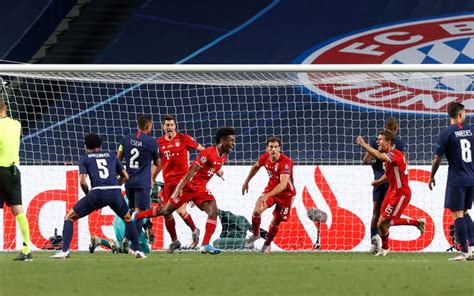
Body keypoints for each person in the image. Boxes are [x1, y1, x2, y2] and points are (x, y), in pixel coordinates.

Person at [134, 127, 236, 255]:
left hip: (200, 190)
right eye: (231, 140)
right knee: (165, 210)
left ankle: (205, 244)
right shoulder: (208, 153)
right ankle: (137, 216)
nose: (233, 143)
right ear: (222, 140)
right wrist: (178, 190)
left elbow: (207, 173)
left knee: (213, 211)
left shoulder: (223, 157)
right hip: (187, 187)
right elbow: (190, 172)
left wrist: (198, 197)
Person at [50, 133, 145, 259]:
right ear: (100, 145)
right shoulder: (111, 156)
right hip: (115, 192)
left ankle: (65, 251)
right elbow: (126, 176)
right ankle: (138, 251)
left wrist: (88, 195)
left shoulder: (85, 158)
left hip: (97, 193)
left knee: (69, 217)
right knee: (128, 219)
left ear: (85, 146)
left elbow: (83, 181)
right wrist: (115, 185)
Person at [357, 130, 423, 257]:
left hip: (401, 193)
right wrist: (379, 181)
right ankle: (385, 247)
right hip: (391, 192)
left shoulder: (395, 154)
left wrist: (364, 145)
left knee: (384, 223)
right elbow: (388, 174)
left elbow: (380, 157)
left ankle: (415, 224)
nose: (377, 142)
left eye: (380, 139)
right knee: (381, 223)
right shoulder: (389, 156)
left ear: (388, 142)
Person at [429, 102, 474, 261]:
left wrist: (432, 175)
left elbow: (436, 158)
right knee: (465, 212)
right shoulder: (472, 130)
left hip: (457, 179)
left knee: (457, 214)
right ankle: (472, 247)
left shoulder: (446, 133)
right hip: (471, 178)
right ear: (460, 114)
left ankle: (464, 252)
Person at [154, 115, 204, 252]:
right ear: (163, 127)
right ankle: (175, 241)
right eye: (167, 125)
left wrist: (214, 168)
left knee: (181, 211)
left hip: (182, 184)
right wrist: (152, 178)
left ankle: (194, 230)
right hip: (168, 184)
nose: (169, 127)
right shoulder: (159, 143)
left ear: (175, 126)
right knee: (166, 213)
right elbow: (158, 164)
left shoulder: (184, 138)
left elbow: (203, 150)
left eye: (171, 125)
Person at [242, 137, 296, 254]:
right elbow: (256, 166)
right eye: (271, 147)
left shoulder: (286, 162)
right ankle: (256, 234)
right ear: (267, 148)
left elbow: (283, 185)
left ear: (279, 148)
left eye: (276, 147)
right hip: (271, 190)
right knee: (257, 211)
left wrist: (267, 195)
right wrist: (247, 181)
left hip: (286, 195)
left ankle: (267, 244)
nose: (273, 150)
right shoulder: (265, 157)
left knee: (276, 221)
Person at [362, 117, 408, 253]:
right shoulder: (398, 143)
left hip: (381, 181)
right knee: (386, 218)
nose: (378, 141)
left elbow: (366, 160)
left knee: (377, 213)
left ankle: (374, 242)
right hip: (390, 183)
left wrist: (376, 168)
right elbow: (403, 161)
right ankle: (385, 244)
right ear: (396, 128)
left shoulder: (376, 143)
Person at [117, 114, 159, 247]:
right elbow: (158, 163)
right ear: (148, 126)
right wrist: (152, 176)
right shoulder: (152, 142)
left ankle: (125, 238)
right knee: (140, 213)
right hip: (143, 183)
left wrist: (121, 176)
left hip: (129, 182)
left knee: (131, 211)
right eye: (151, 125)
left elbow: (118, 159)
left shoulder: (125, 139)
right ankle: (133, 245)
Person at [0, 96, 32, 261]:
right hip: (13, 171)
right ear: (5, 107)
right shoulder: (16, 124)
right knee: (17, 208)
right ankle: (27, 248)